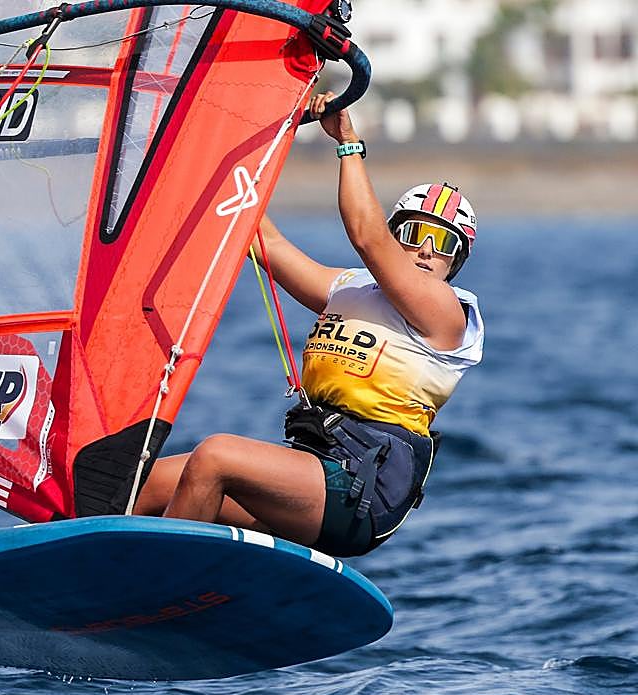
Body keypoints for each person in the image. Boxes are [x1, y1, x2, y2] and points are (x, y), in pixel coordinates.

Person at [134, 92, 484, 557]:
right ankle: (88, 583)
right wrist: (204, 154)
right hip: (312, 466)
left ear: (455, 261)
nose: (425, 250)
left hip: (366, 490)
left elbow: (366, 235)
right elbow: (265, 242)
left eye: (442, 243)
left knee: (215, 456)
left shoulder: (448, 316)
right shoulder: (350, 288)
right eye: (414, 234)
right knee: (149, 484)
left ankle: (155, 588)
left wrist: (347, 142)